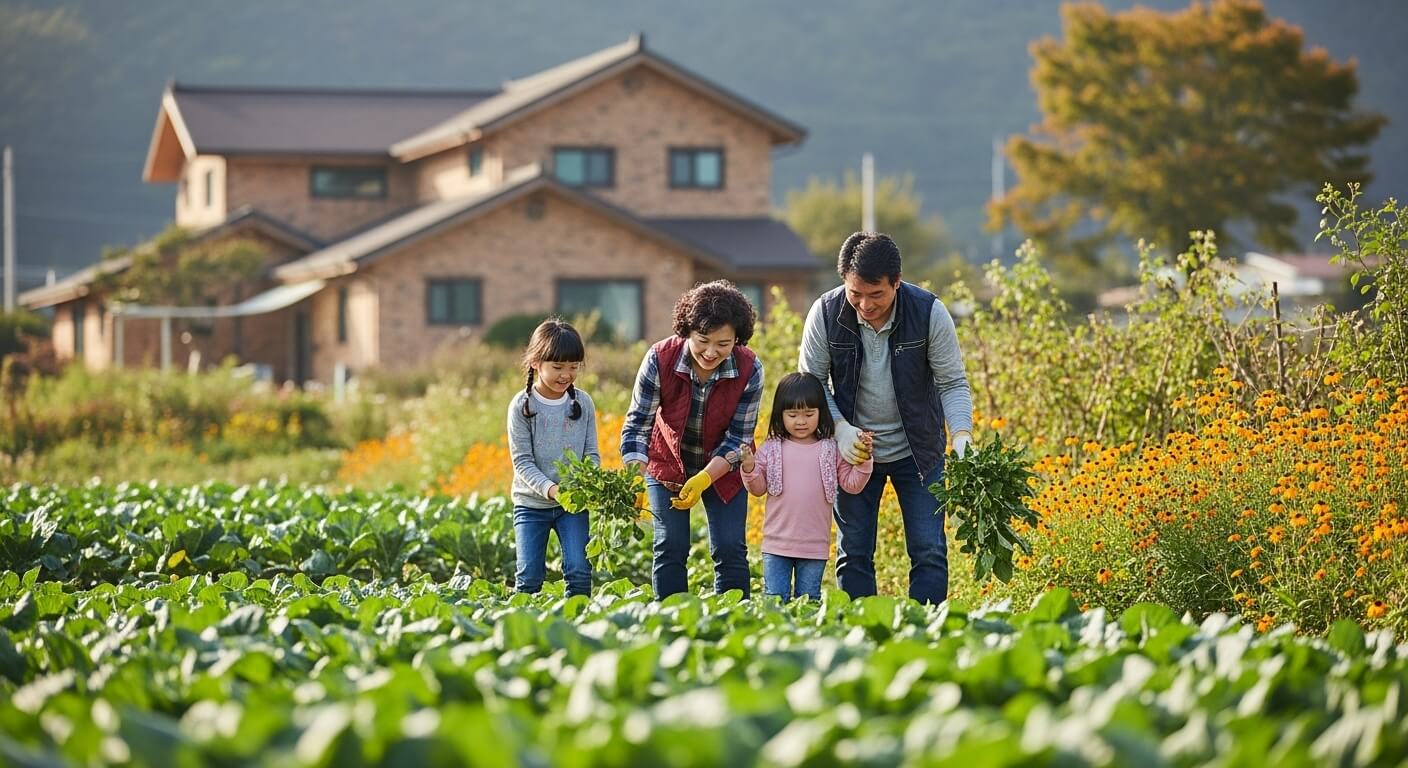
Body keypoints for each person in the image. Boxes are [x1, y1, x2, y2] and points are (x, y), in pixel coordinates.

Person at [799, 231, 974, 605]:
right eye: (855, 293)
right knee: (854, 552)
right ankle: (863, 628)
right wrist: (840, 429)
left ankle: (927, 628)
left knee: (929, 550)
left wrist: (961, 435)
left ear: (897, 282)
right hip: (854, 453)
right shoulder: (825, 313)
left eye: (876, 294)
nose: (865, 305)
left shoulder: (928, 312)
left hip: (919, 452)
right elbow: (811, 383)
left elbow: (952, 382)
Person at [620, 280, 764, 599]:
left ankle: (736, 618)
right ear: (687, 332)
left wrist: (705, 478)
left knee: (730, 548)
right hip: (668, 463)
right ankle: (671, 616)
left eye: (723, 344)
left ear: (737, 339)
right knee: (670, 545)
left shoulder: (750, 368)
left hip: (724, 469)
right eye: (703, 341)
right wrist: (633, 477)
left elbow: (739, 438)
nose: (711, 352)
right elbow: (638, 425)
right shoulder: (660, 359)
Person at [740, 372, 874, 601]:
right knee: (774, 600)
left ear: (821, 413)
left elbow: (852, 485)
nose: (801, 421)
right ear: (780, 414)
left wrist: (864, 459)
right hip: (776, 545)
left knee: (809, 600)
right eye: (792, 415)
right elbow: (758, 489)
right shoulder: (771, 448)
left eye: (809, 414)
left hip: (814, 547)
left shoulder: (830, 449)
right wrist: (750, 467)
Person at [506, 318, 597, 597]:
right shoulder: (521, 406)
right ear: (536, 362)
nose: (566, 374)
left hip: (574, 505)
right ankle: (523, 621)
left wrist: (587, 484)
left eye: (573, 367)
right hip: (531, 505)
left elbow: (591, 454)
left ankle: (579, 617)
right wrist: (553, 490)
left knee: (579, 570)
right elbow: (522, 462)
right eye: (558, 367)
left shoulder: (583, 403)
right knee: (529, 575)